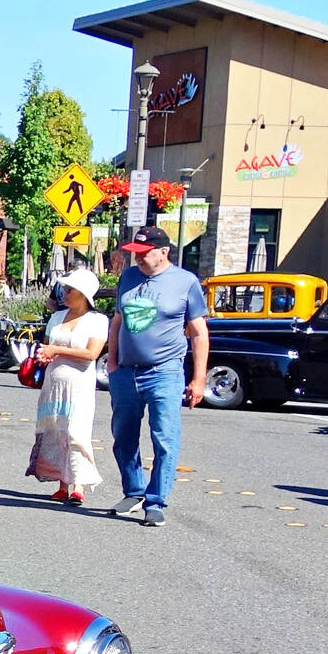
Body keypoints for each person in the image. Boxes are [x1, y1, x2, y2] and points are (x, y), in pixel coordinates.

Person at [105, 225, 209, 528]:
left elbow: (199, 333)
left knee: (164, 438)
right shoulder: (129, 277)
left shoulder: (185, 282)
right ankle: (133, 491)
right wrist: (112, 360)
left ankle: (156, 501)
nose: (137, 259)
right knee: (123, 435)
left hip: (164, 372)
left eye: (144, 253)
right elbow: (118, 321)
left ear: (163, 252)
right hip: (126, 372)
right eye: (134, 253)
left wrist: (198, 379)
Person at [25, 268, 107, 503]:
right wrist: (45, 354)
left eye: (70, 290)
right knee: (56, 431)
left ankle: (78, 484)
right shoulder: (57, 317)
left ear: (83, 294)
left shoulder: (97, 320)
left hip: (78, 384)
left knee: (76, 432)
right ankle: (63, 483)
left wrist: (57, 350)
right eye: (64, 288)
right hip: (54, 381)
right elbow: (47, 345)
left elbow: (92, 353)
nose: (64, 293)